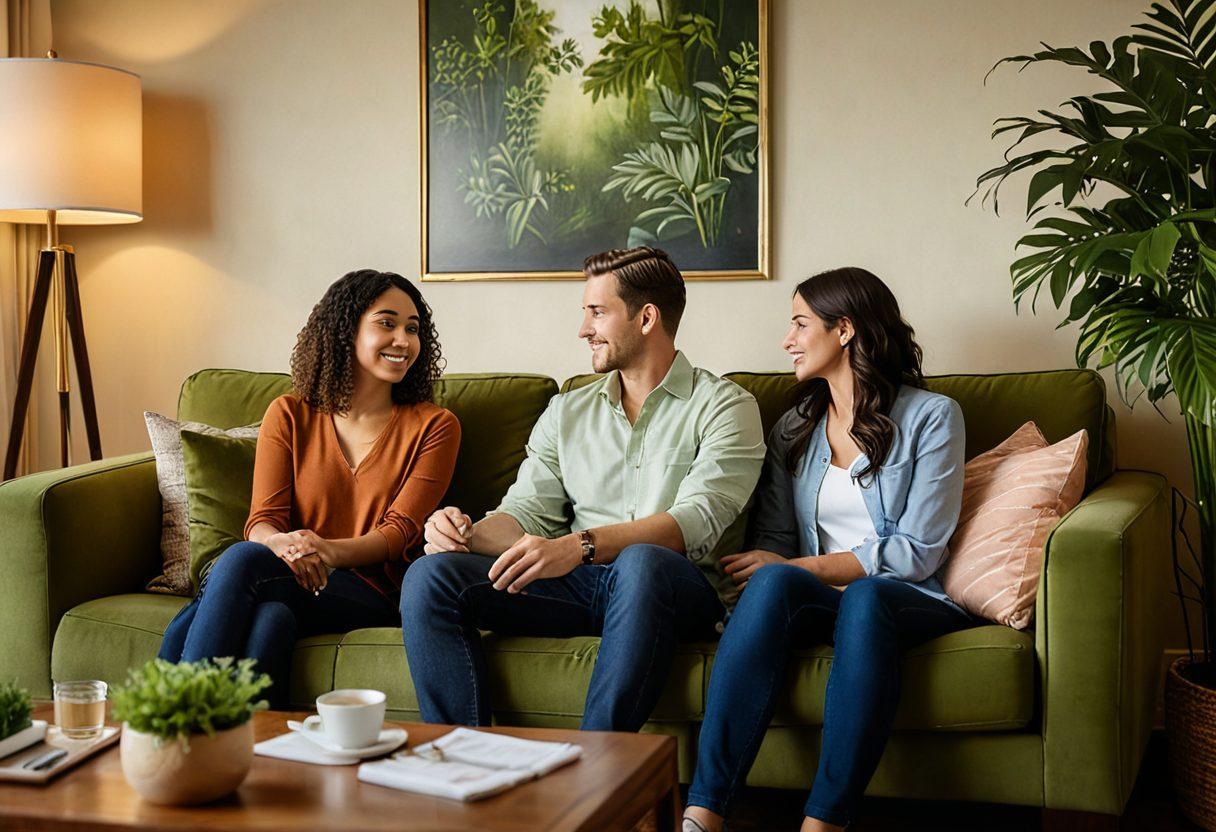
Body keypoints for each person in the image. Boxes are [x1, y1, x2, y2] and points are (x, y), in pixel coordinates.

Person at [401, 246, 765, 731]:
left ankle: (598, 771)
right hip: (581, 588)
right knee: (431, 576)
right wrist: (461, 532)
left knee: (643, 561)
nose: (583, 329)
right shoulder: (567, 411)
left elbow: (692, 524)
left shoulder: (725, 407)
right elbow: (526, 513)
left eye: (597, 312)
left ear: (646, 318)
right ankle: (461, 760)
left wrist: (577, 547)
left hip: (677, 591)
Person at [683, 267, 975, 832]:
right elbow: (773, 541)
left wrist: (795, 568)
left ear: (844, 330)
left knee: (866, 596)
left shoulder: (933, 418)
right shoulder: (796, 425)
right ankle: (703, 813)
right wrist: (769, 576)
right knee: (771, 582)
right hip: (822, 599)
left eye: (799, 324)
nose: (786, 340)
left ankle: (824, 823)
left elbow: (917, 551)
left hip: (906, 598)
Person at [159, 269, 461, 707]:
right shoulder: (289, 414)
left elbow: (399, 534)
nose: (404, 340)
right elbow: (263, 521)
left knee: (243, 561)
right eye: (387, 323)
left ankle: (174, 719)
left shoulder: (435, 426)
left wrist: (324, 551)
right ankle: (250, 750)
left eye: (413, 329)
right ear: (345, 331)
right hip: (287, 575)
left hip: (371, 591)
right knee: (271, 621)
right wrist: (284, 547)